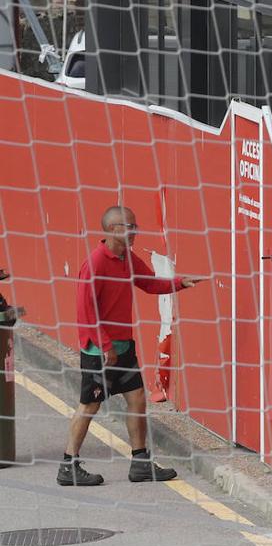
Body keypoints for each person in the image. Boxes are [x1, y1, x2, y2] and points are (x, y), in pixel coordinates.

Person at [58, 206, 204, 486]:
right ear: (113, 230)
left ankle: (140, 463)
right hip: (100, 352)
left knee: (136, 399)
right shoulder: (95, 264)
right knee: (89, 406)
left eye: (135, 226)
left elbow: (149, 284)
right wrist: (105, 346)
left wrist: (180, 283)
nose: (135, 231)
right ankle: (68, 466)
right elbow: (85, 313)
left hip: (123, 348)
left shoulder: (127, 258)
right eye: (130, 227)